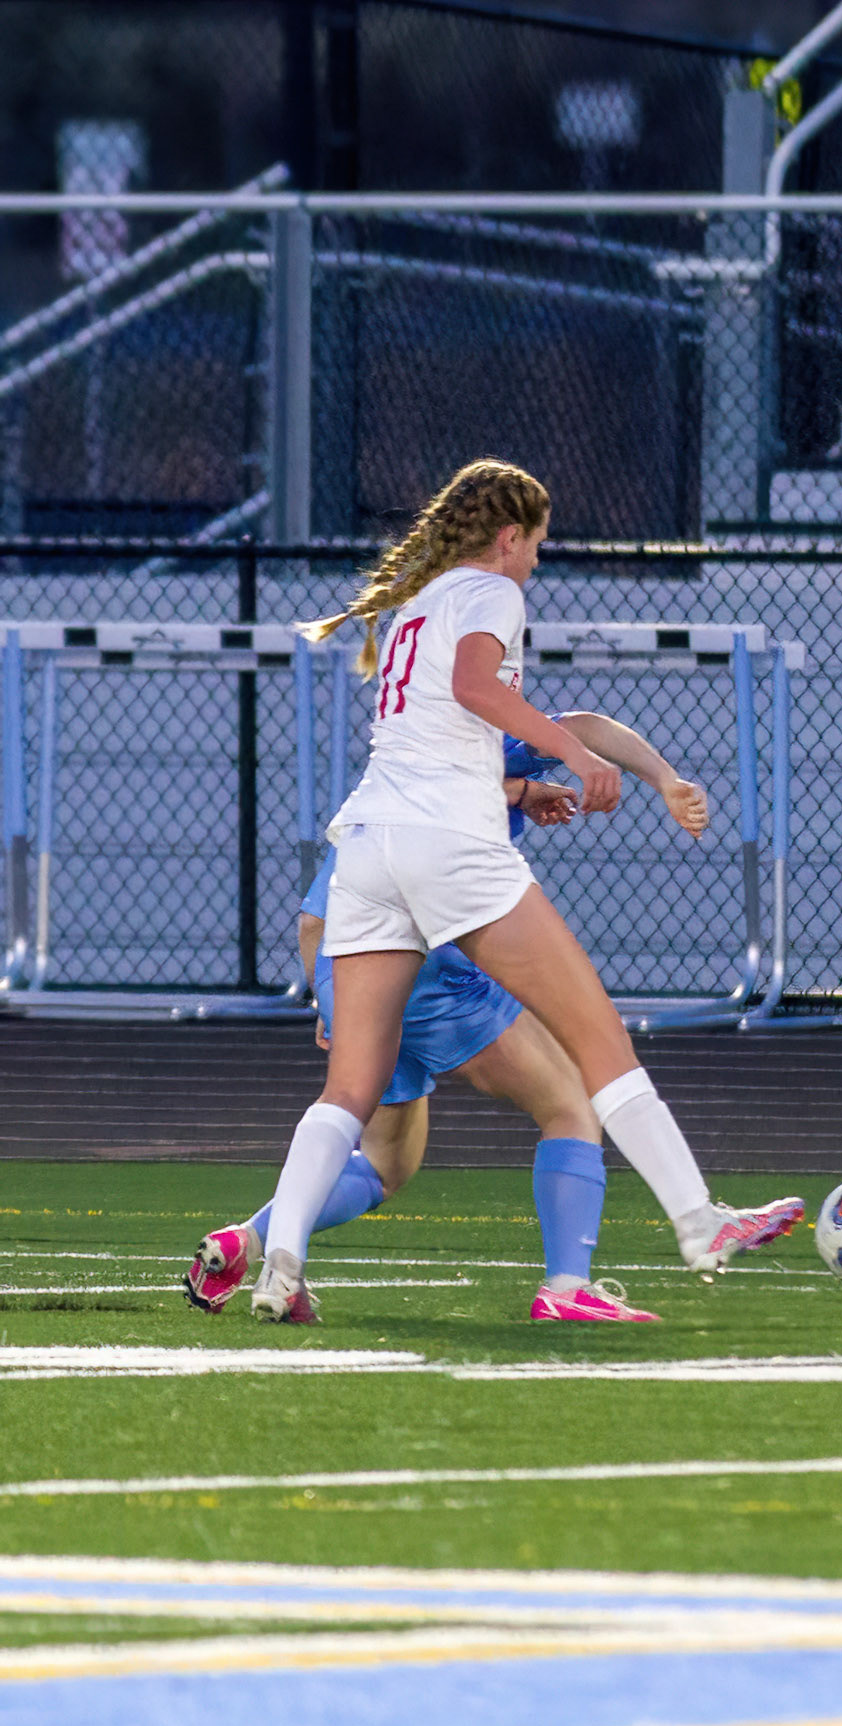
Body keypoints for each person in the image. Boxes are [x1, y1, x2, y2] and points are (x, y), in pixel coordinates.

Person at [246, 457, 803, 1322]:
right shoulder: (491, 592)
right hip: (448, 845)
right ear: (508, 537)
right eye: (536, 544)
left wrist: (561, 767)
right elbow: (475, 689)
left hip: (366, 849)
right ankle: (699, 1224)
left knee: (347, 1091)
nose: (537, 561)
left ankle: (278, 1269)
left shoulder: (417, 602)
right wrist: (574, 758)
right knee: (598, 1043)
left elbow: (457, 716)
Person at [184, 711, 711, 1324]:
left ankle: (248, 1242)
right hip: (429, 970)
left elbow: (312, 920)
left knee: (385, 1162)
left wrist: (326, 1000)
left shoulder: (391, 778)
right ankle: (570, 1284)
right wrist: (663, 779)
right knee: (571, 1101)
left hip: (348, 966)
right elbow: (581, 729)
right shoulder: (464, 736)